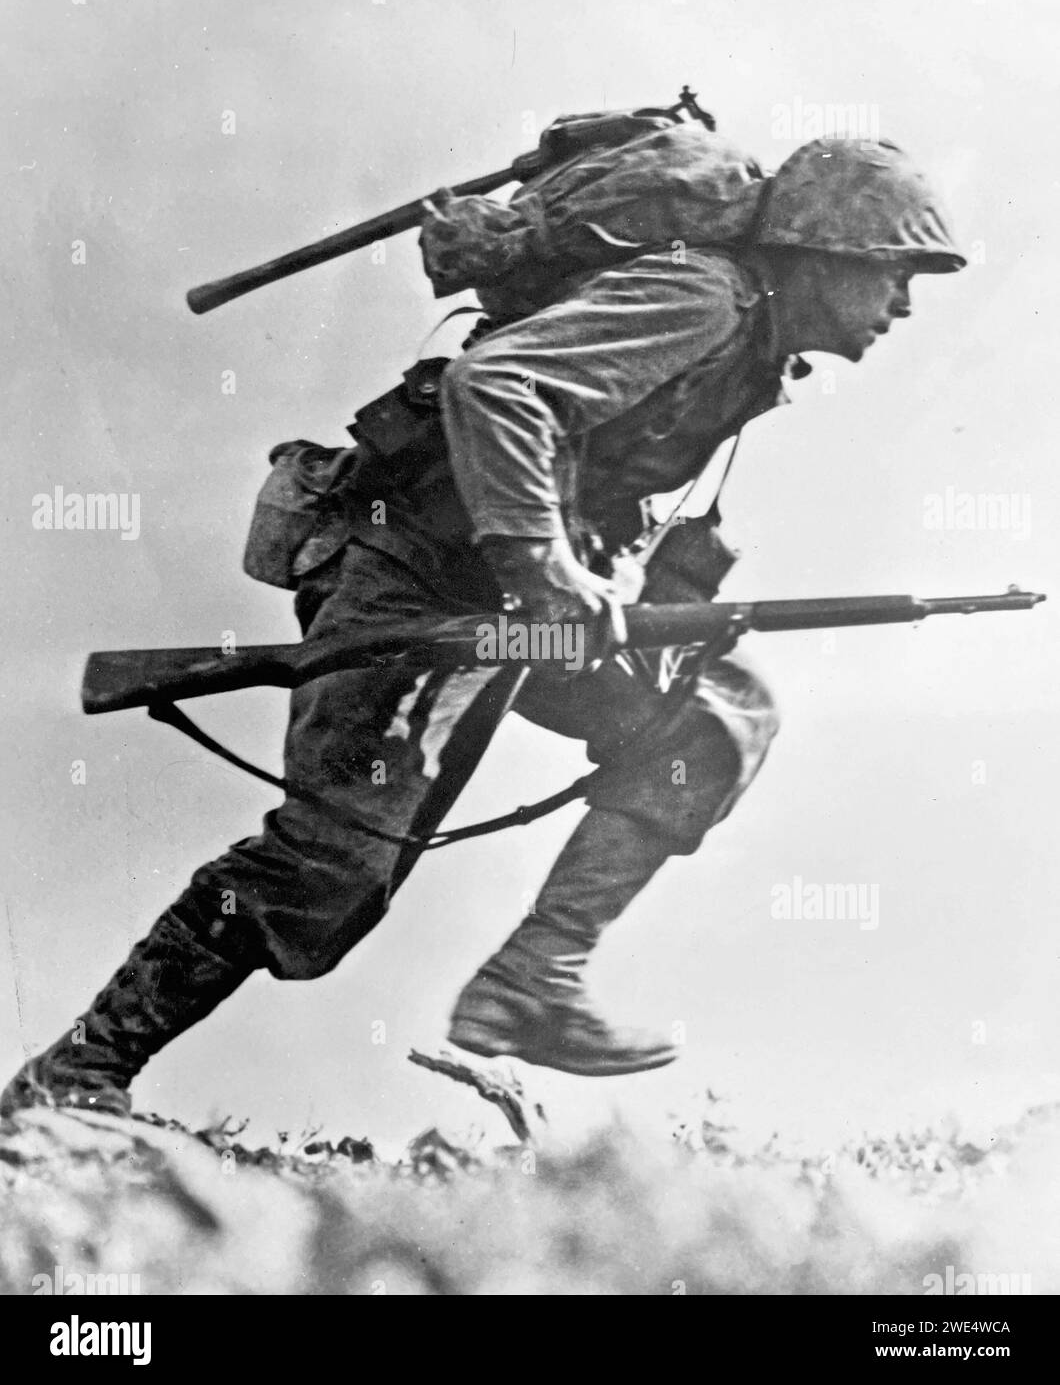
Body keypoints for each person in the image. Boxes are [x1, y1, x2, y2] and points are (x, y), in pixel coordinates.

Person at [1, 137, 965, 1117]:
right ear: (822, 250)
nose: (903, 304)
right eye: (896, 272)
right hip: (415, 576)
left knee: (708, 715)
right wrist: (544, 569)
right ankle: (75, 1074)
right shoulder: (702, 299)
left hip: (514, 614)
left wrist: (589, 578)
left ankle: (532, 980)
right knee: (328, 865)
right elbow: (496, 386)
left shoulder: (751, 341)